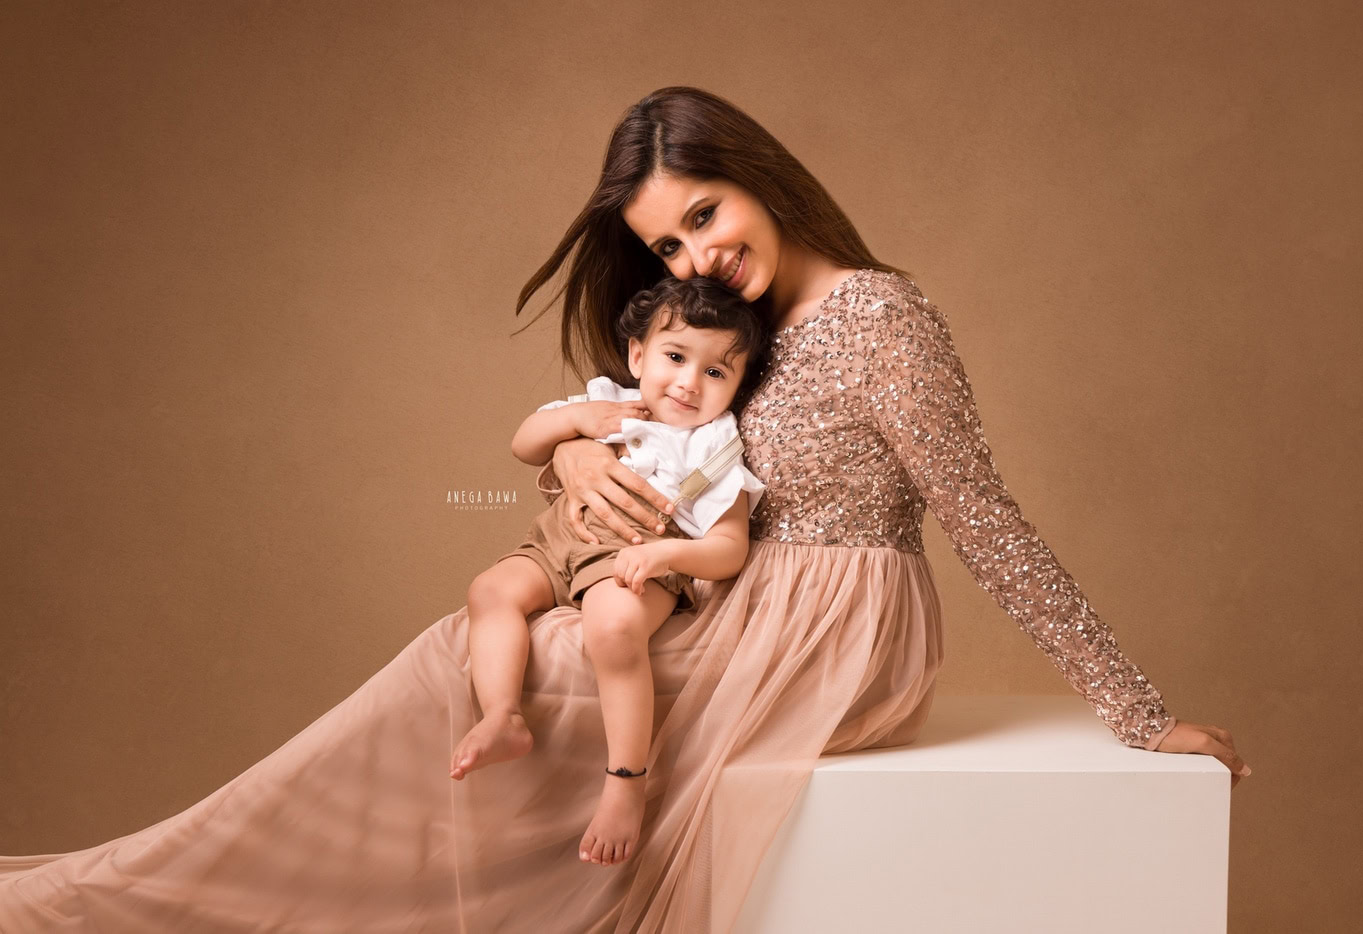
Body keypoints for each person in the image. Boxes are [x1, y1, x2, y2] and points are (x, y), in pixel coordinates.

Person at [0, 86, 1249, 933]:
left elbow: (980, 514)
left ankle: (164, 893)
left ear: (755, 176)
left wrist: (1135, 713)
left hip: (830, 626)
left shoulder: (880, 319)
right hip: (719, 588)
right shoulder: (730, 334)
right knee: (473, 653)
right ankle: (163, 885)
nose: (695, 260)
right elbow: (675, 443)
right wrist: (577, 469)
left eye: (703, 215)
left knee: (495, 671)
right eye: (668, 248)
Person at [449, 275, 769, 870]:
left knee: (613, 627)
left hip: (639, 552)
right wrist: (578, 421)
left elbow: (729, 547)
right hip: (558, 539)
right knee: (489, 592)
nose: (688, 383)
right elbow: (524, 444)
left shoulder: (714, 446)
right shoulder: (606, 399)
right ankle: (502, 715)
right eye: (675, 357)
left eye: (716, 372)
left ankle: (625, 782)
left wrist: (667, 556)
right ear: (638, 354)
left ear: (739, 382)